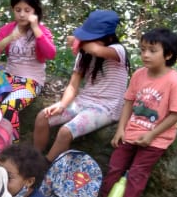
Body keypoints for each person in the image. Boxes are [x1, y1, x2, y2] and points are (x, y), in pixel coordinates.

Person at [89, 28, 177, 197]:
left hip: (156, 138)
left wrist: (151, 135)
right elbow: (129, 102)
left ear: (168, 55)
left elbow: (175, 114)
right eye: (143, 50)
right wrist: (121, 129)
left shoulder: (174, 81)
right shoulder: (139, 75)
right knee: (114, 167)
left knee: (136, 175)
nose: (145, 55)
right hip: (131, 132)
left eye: (152, 51)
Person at [33, 10, 129, 162]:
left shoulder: (117, 50)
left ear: (108, 37)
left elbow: (96, 50)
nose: (88, 41)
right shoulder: (84, 54)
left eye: (93, 37)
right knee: (42, 117)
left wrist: (78, 40)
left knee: (66, 131)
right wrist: (62, 105)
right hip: (83, 101)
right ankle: (34, 158)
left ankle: (44, 167)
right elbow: (73, 85)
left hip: (106, 107)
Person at [0, 0, 56, 138]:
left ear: (35, 10)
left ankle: (9, 146)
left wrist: (36, 29)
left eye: (27, 10)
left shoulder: (42, 31)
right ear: (12, 9)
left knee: (9, 106)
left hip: (31, 81)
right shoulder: (7, 29)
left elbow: (51, 54)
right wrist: (9, 38)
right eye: (18, 9)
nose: (22, 14)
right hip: (8, 77)